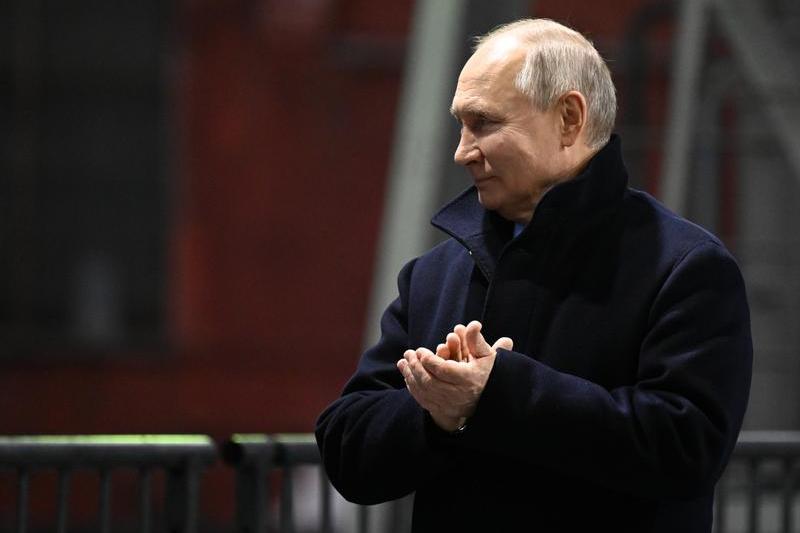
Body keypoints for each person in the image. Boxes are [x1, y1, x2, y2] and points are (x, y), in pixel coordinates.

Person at [315, 18, 752, 533]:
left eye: (484, 123)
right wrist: (438, 415)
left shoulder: (685, 267)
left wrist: (500, 393)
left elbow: (687, 447)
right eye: (461, 125)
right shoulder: (434, 275)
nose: (462, 151)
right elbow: (347, 446)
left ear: (569, 119)